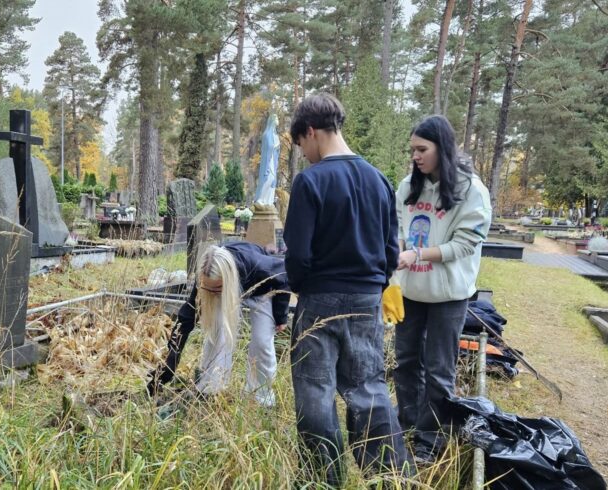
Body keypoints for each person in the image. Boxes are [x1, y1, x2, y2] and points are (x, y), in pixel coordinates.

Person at [283, 92, 410, 485]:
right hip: (367, 300)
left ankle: (324, 479)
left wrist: (302, 290)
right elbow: (392, 251)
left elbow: (298, 255)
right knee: (368, 388)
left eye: (302, 145)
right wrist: (373, 284)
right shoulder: (380, 180)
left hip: (320, 298)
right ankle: (387, 475)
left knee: (316, 393)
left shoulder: (310, 182)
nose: (304, 155)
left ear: (310, 132)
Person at [392, 115, 492, 462]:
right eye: (413, 150)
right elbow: (399, 230)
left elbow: (465, 245)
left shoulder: (471, 191)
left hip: (448, 296)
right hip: (410, 291)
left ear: (443, 148)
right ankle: (407, 424)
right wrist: (399, 252)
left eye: (422, 149)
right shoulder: (407, 187)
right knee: (405, 361)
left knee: (438, 369)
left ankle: (431, 440)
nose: (416, 156)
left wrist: (417, 253)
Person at [146, 242, 290, 406]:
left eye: (216, 288)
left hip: (262, 290)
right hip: (227, 288)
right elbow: (186, 319)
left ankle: (260, 398)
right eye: (208, 288)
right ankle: (210, 388)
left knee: (262, 341)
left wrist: (281, 317)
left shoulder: (260, 267)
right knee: (217, 334)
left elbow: (284, 276)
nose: (212, 293)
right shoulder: (207, 277)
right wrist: (170, 365)